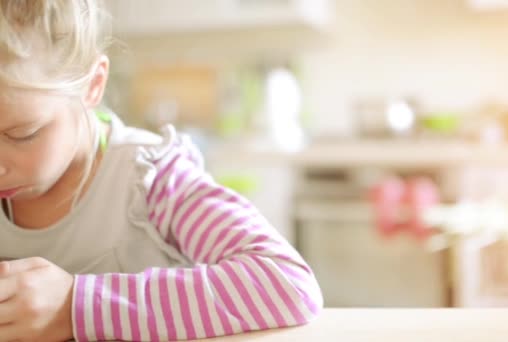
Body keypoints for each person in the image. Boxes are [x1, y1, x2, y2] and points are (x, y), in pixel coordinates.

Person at [0, 1, 323, 341]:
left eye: (22, 134)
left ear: (92, 86)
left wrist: (74, 306)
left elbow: (286, 283)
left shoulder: (152, 179)